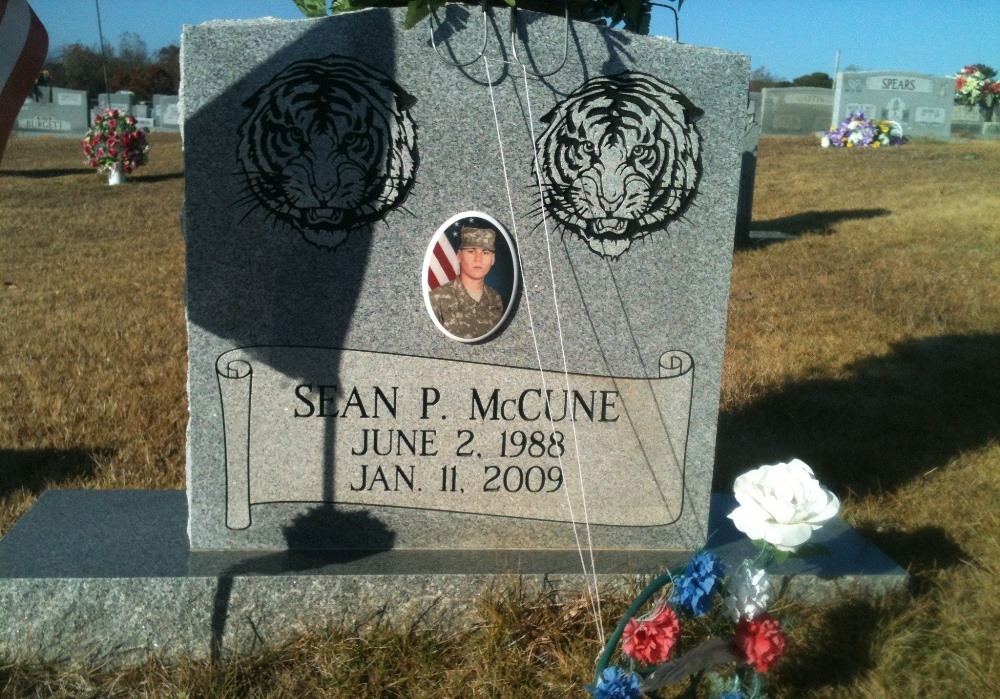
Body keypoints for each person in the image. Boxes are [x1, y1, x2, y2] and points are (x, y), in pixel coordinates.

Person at [430, 226, 504, 339]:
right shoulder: (437, 299)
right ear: (459, 256)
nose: (478, 259)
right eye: (471, 251)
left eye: (485, 253)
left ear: (493, 259)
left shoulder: (495, 299)